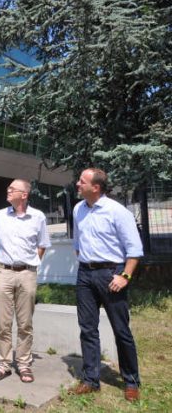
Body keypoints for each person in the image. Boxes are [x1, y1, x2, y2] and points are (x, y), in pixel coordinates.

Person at [69, 168, 143, 402]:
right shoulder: (78, 209)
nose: (77, 184)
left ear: (96, 187)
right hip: (85, 274)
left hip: (111, 274)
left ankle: (131, 381)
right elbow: (78, 243)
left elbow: (134, 250)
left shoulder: (117, 212)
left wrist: (124, 277)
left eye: (82, 181)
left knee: (121, 330)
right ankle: (91, 379)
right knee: (87, 328)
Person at [0, 179, 50, 383]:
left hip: (27, 274)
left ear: (24, 195)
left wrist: (29, 265)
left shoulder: (38, 217)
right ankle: (3, 365)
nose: (8, 190)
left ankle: (23, 364)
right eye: (8, 188)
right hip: (3, 273)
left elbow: (42, 245)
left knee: (25, 323)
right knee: (3, 323)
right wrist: (9, 262)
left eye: (12, 189)